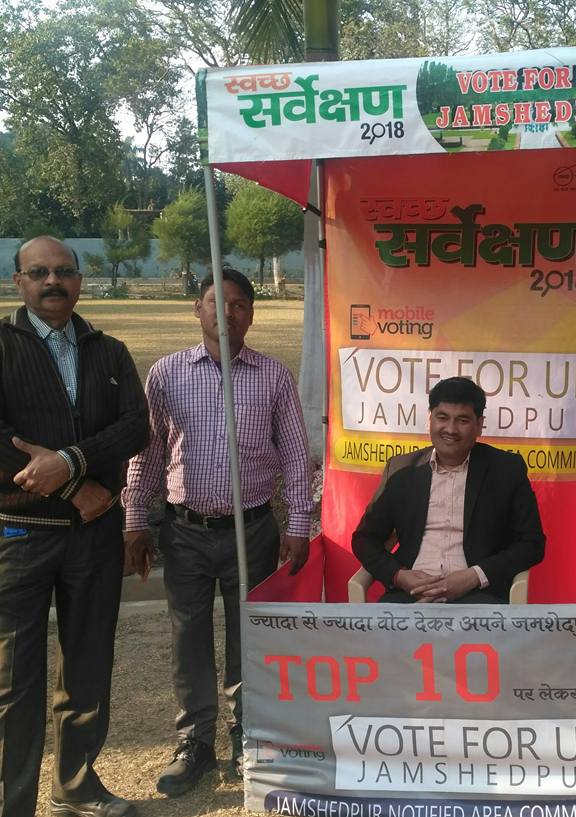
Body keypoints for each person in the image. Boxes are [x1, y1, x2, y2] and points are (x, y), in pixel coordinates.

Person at [122, 268, 314, 796]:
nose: (227, 313)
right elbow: (149, 451)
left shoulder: (273, 376)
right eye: (216, 302)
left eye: (238, 305)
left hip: (251, 530)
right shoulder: (165, 374)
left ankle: (249, 736)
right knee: (189, 640)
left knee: (249, 640)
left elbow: (297, 456)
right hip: (185, 531)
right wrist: (135, 518)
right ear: (197, 309)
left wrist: (299, 523)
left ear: (251, 313)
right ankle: (196, 743)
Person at [0, 236, 149, 817]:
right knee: (15, 678)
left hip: (93, 537)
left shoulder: (108, 351)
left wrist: (74, 460)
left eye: (63, 271)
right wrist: (72, 483)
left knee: (88, 663)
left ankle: (76, 786)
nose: (52, 282)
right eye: (39, 273)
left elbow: (136, 427)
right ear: (19, 282)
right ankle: (13, 804)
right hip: (19, 532)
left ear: (80, 280)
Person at [352, 376, 545, 603]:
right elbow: (364, 539)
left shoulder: (506, 470)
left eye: (462, 420)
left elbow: (532, 543)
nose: (451, 429)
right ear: (429, 419)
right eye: (442, 418)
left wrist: (475, 576)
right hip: (409, 592)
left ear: (479, 425)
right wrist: (399, 576)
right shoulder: (401, 470)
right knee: (377, 632)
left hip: (478, 594)